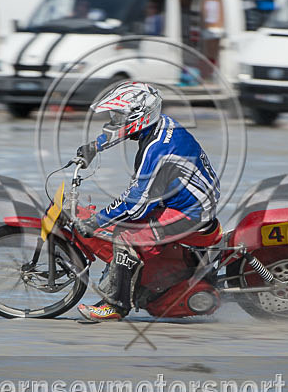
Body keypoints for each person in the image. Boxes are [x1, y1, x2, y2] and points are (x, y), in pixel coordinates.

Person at [73, 82, 220, 321]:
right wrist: (94, 147)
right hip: (186, 199)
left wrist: (97, 221)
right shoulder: (161, 125)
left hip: (192, 211)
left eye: (119, 116)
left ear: (140, 115)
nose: (115, 121)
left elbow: (134, 203)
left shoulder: (156, 150)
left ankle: (116, 306)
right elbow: (121, 131)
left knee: (124, 234)